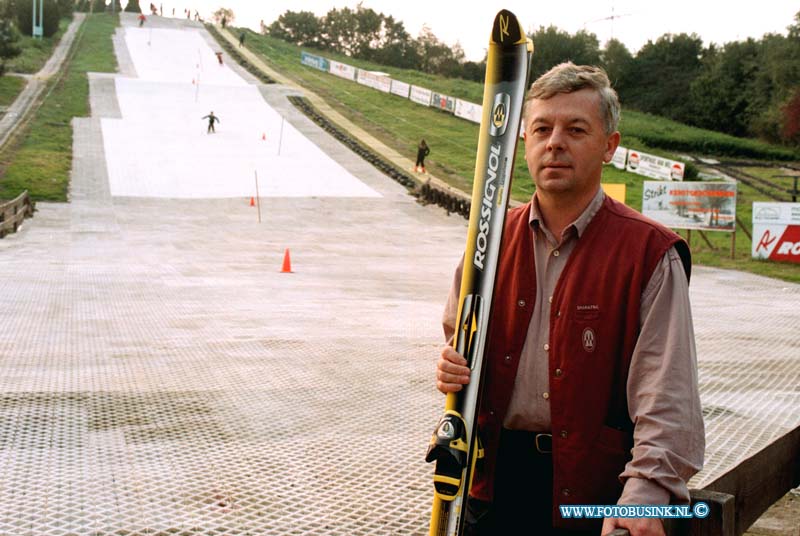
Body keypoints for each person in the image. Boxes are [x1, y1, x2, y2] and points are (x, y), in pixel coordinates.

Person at [435, 63, 704, 536]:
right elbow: (461, 335)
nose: (555, 142)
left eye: (576, 129)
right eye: (542, 128)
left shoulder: (649, 253)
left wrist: (646, 491)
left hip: (598, 496)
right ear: (524, 141)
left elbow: (667, 389)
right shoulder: (488, 239)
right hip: (493, 486)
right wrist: (453, 367)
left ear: (609, 146)